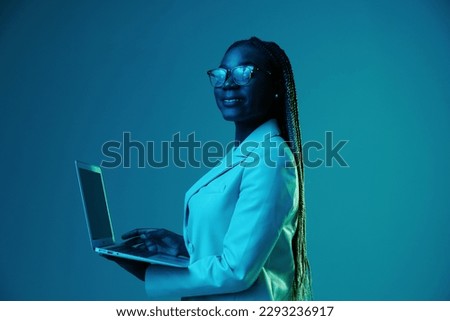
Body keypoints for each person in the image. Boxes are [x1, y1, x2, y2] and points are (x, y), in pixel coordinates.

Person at [107, 36, 312, 300]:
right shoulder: (246, 156)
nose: (227, 83)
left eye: (243, 73)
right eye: (221, 74)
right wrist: (183, 249)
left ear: (274, 86)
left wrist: (148, 271)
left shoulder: (270, 160)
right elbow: (239, 248)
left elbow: (237, 271)